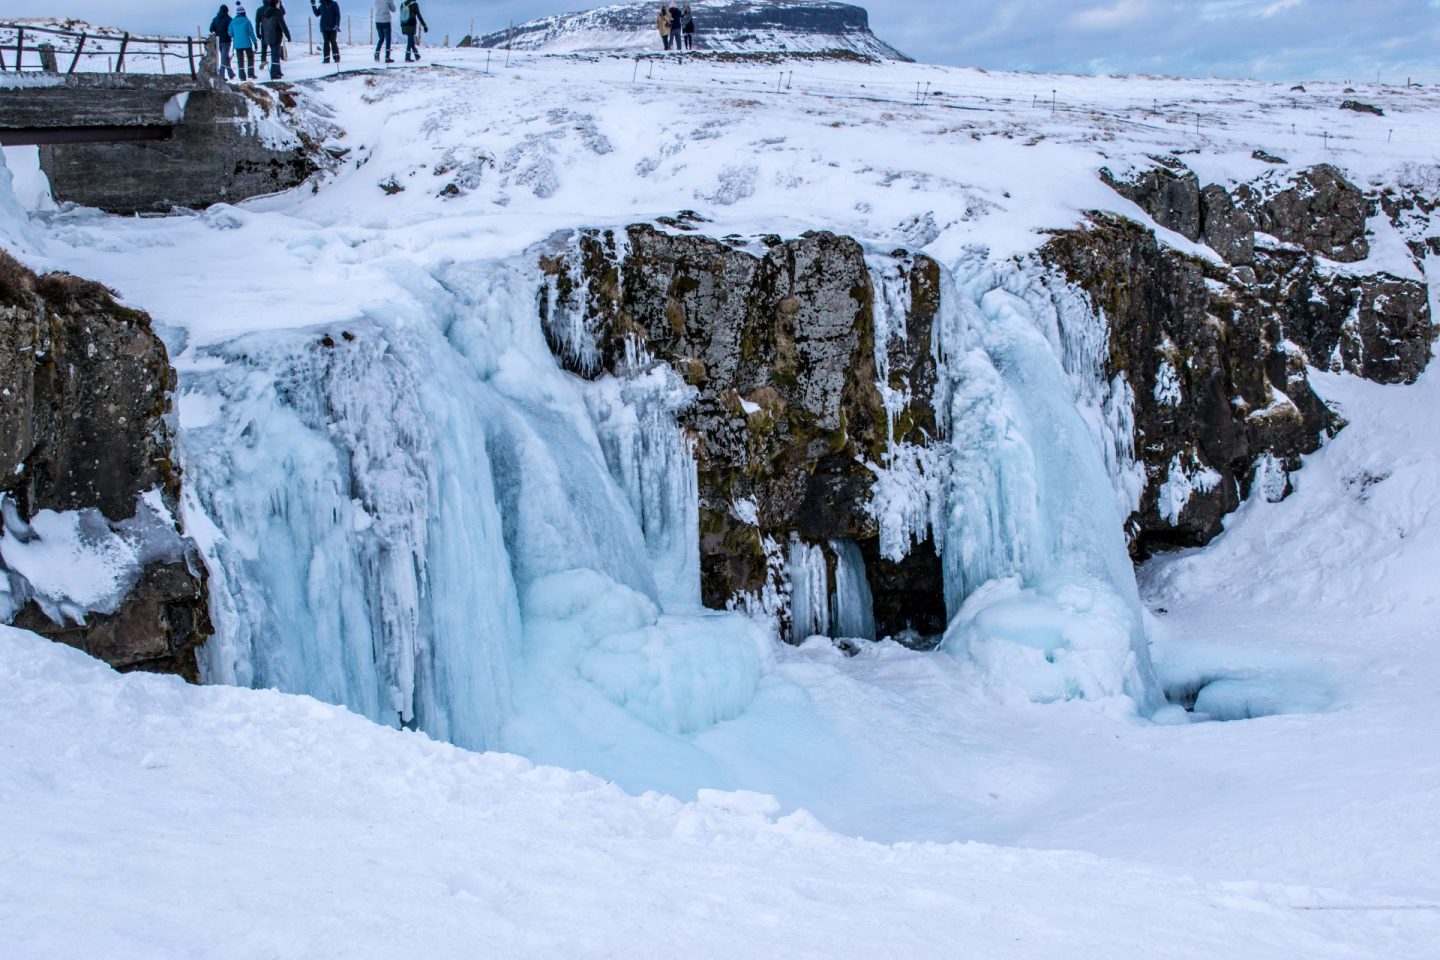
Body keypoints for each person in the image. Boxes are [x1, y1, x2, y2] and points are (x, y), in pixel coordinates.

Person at [256, 0, 291, 79]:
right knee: (275, 55)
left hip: (267, 35)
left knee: (275, 53)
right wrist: (288, 36)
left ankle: (277, 70)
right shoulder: (277, 13)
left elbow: (258, 23)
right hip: (276, 36)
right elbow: (283, 26)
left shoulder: (264, 13)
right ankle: (273, 73)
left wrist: (258, 33)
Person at [229, 2, 257, 80]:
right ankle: (251, 74)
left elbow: (230, 32)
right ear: (244, 12)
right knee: (250, 58)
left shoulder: (233, 22)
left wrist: (236, 36)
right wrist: (255, 42)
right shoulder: (247, 21)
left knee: (240, 60)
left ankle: (242, 76)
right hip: (247, 43)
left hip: (237, 44)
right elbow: (251, 33)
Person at [209, 4, 236, 79]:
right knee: (224, 58)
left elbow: (211, 29)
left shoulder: (215, 19)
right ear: (226, 11)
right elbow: (232, 29)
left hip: (218, 41)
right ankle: (221, 75)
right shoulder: (229, 19)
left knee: (225, 57)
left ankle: (231, 74)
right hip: (226, 41)